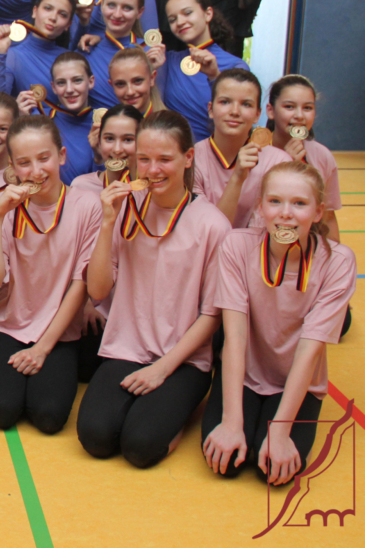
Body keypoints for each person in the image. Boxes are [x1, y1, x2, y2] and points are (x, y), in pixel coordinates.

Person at [78, 110, 231, 468]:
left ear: (188, 158)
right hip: (126, 347)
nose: (152, 170)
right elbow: (98, 290)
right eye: (144, 159)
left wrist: (162, 368)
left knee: (141, 447)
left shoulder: (213, 225)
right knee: (96, 438)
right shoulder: (124, 209)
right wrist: (107, 223)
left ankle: (182, 415)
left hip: (183, 359)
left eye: (165, 159)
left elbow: (212, 315)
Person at [202, 162, 356, 484]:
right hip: (243, 375)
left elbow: (309, 352)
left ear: (318, 212)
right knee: (228, 463)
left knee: (271, 468)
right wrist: (231, 422)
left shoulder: (338, 262)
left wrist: (281, 432)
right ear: (260, 207)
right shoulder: (237, 246)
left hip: (297, 380)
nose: (285, 213)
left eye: (299, 203)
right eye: (275, 201)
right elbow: (235, 338)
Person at [0, 115, 102, 432]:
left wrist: (42, 348)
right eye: (24, 163)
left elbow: (80, 285)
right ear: (13, 167)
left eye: (44, 158)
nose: (35, 171)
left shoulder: (87, 205)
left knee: (49, 417)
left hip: (58, 331)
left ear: (61, 155)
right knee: (1, 412)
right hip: (8, 325)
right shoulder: (6, 208)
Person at [71, 104, 144, 381]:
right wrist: (88, 302)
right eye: (109, 139)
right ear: (98, 141)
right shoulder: (80, 186)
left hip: (136, 308)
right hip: (93, 302)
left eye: (128, 139)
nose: (117, 149)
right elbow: (73, 254)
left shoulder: (152, 191)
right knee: (84, 369)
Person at [193, 69, 289, 229]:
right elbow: (206, 231)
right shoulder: (191, 160)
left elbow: (267, 231)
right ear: (210, 109)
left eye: (246, 104)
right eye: (225, 102)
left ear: (257, 114)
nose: (235, 112)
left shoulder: (278, 162)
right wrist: (237, 178)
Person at [158, 0, 249, 141]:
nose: (180, 22)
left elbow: (238, 116)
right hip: (172, 151)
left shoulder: (236, 65)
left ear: (208, 14)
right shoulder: (167, 61)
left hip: (215, 151)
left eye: (187, 13)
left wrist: (215, 76)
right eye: (172, 19)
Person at [265, 75, 341, 242]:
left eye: (307, 108)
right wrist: (285, 165)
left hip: (306, 249)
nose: (299, 115)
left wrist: (335, 255)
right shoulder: (256, 153)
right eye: (289, 107)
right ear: (270, 110)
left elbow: (328, 218)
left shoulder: (322, 156)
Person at [76, 0, 158, 109]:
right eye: (111, 5)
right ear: (102, 6)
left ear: (140, 12)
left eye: (127, 8)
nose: (117, 14)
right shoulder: (87, 51)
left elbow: (159, 104)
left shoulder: (151, 51)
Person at [0, 0, 74, 99]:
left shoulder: (70, 60)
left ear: (68, 24)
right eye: (48, 8)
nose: (53, 18)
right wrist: (0, 52)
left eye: (62, 14)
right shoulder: (14, 56)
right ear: (34, 11)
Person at [37, 53, 97, 185]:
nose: (69, 89)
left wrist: (99, 156)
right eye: (61, 83)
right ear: (53, 87)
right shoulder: (40, 120)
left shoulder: (104, 123)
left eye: (77, 80)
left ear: (91, 82)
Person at [108, 46, 163, 118]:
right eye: (120, 84)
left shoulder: (172, 123)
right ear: (112, 85)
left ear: (152, 79)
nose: (130, 92)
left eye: (137, 81)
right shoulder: (108, 124)